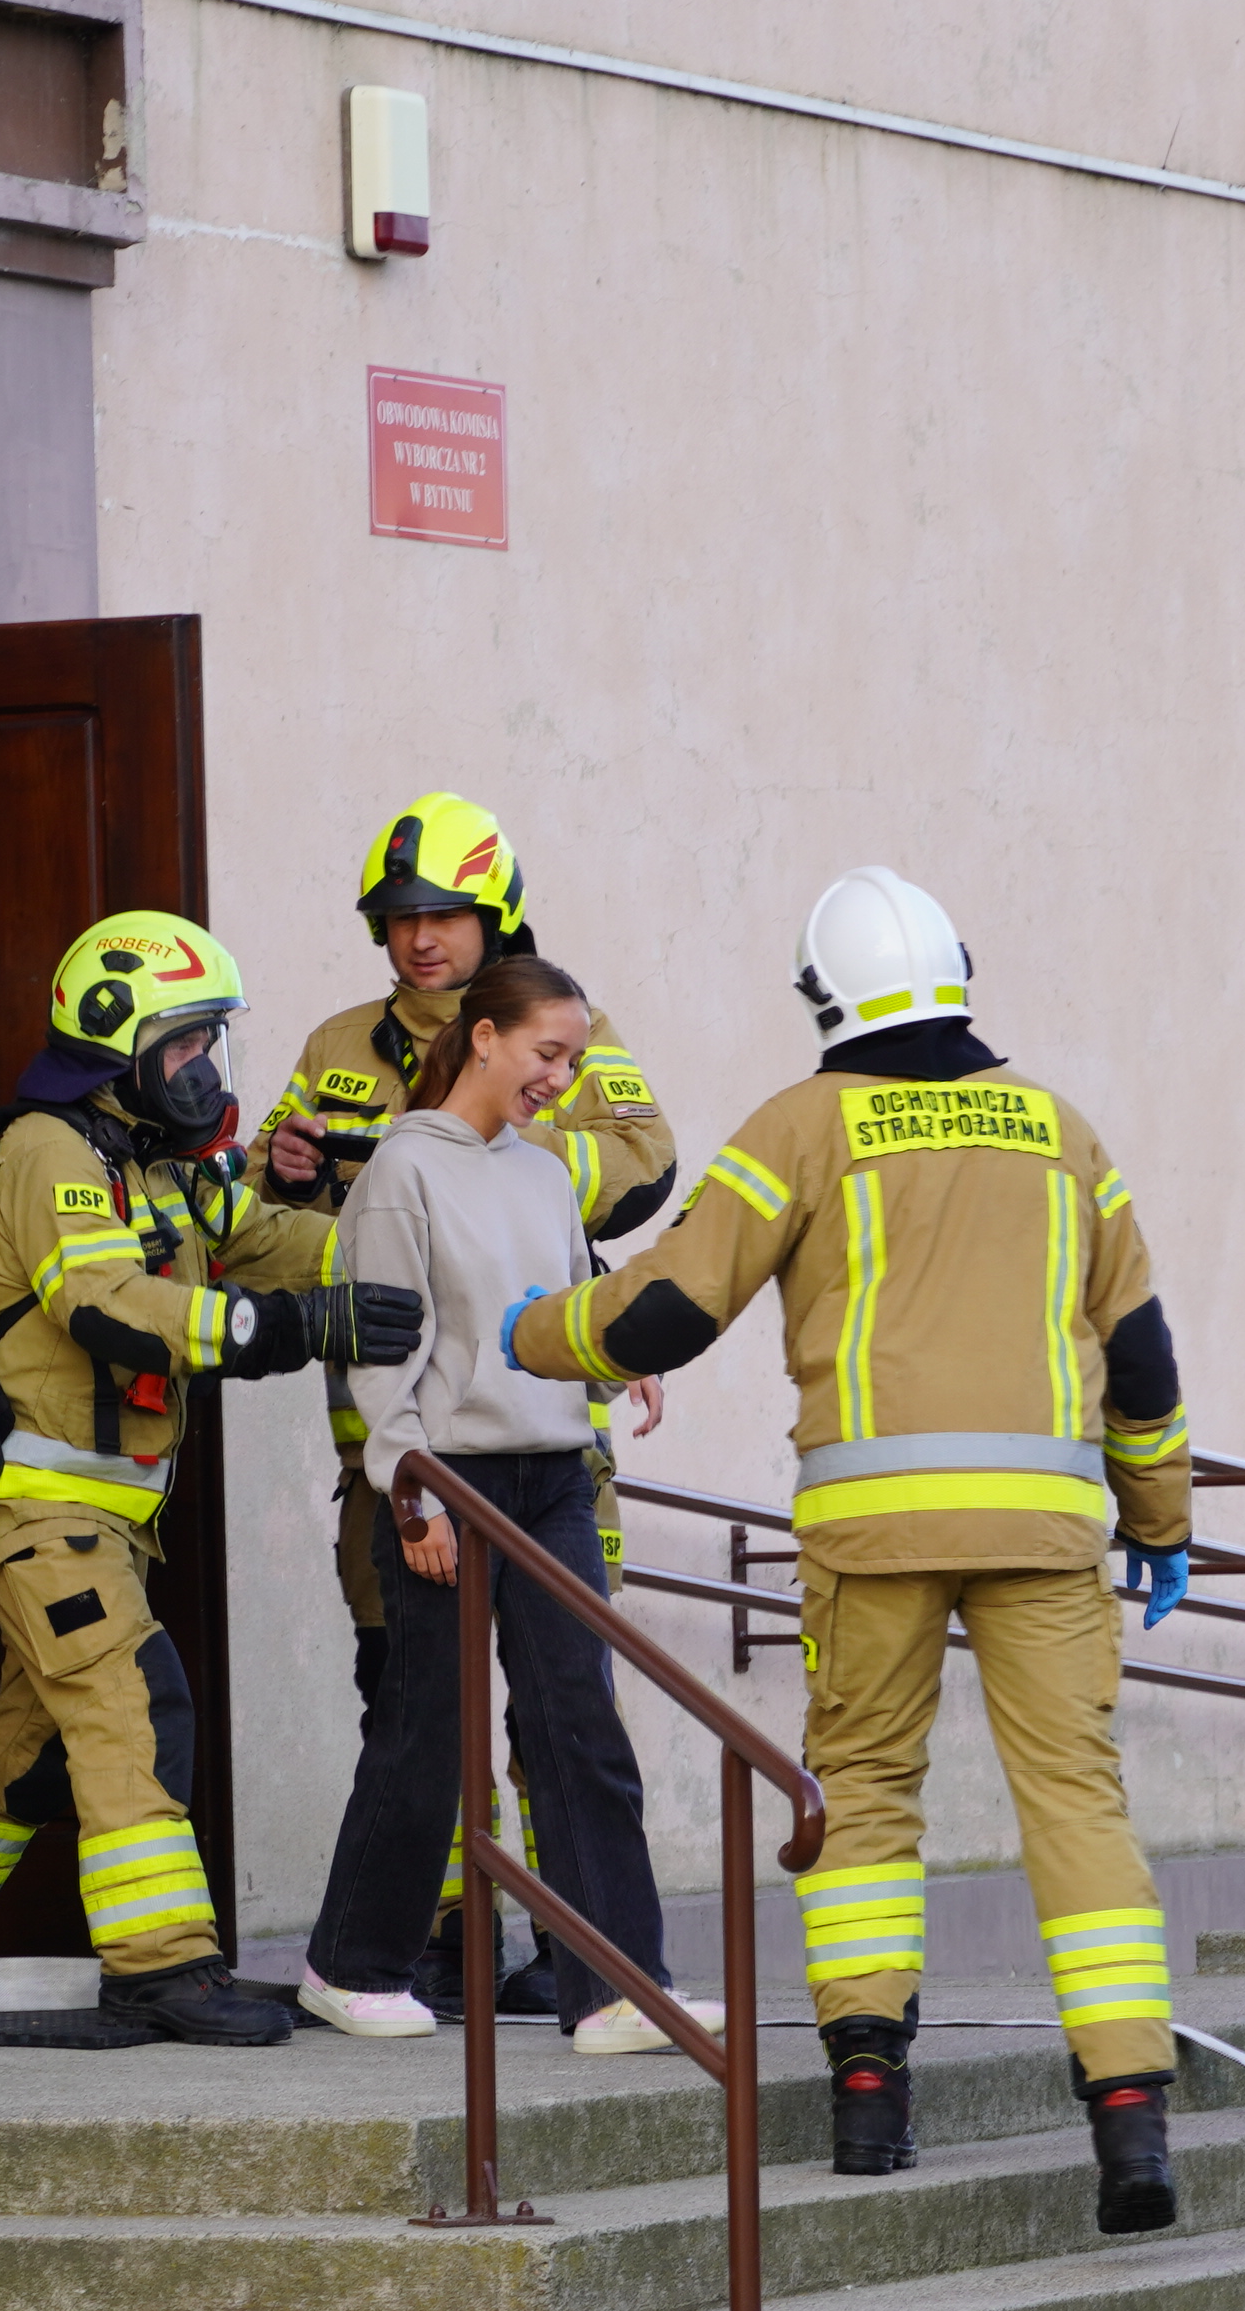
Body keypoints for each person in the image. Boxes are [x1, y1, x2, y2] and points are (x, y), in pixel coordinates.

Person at [500, 868, 1196, 2232]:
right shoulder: (1064, 1133)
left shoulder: (802, 1126)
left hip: (870, 1532)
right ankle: (1131, 2123)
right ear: (958, 973)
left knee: (865, 1793)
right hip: (1047, 1531)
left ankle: (869, 2096)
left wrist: (533, 1330)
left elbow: (662, 1315)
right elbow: (1144, 1354)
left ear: (825, 998)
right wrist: (1160, 1521)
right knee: (1078, 1807)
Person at [0, 910, 425, 2046]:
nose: (205, 1066)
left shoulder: (155, 1164)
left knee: (37, 1736)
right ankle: (161, 1965)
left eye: (213, 1040)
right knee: (132, 1705)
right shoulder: (49, 1154)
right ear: (118, 1042)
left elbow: (267, 1236)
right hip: (35, 1504)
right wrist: (299, 1328)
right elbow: (107, 1305)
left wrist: (409, 1255)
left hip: (102, 1515)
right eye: (185, 1043)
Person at [254, 791, 677, 2011]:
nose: (419, 937)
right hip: (402, 1461)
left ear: (496, 923)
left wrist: (505, 1157)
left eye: (444, 915)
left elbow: (640, 1162)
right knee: (413, 1715)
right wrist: (292, 1169)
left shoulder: (556, 1043)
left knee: (564, 1717)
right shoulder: (338, 1048)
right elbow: (262, 1225)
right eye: (400, 918)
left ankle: (576, 1959)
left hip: (538, 1448)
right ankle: (430, 1946)